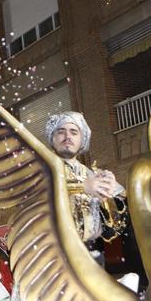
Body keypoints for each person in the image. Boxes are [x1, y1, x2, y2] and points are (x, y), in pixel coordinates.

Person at [45, 112, 127, 264]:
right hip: (55, 254)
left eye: (74, 132)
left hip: (92, 253)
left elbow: (115, 223)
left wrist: (112, 192)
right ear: (52, 137)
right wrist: (82, 187)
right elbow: (40, 191)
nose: (67, 136)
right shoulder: (42, 168)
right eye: (61, 131)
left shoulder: (91, 173)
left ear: (82, 139)